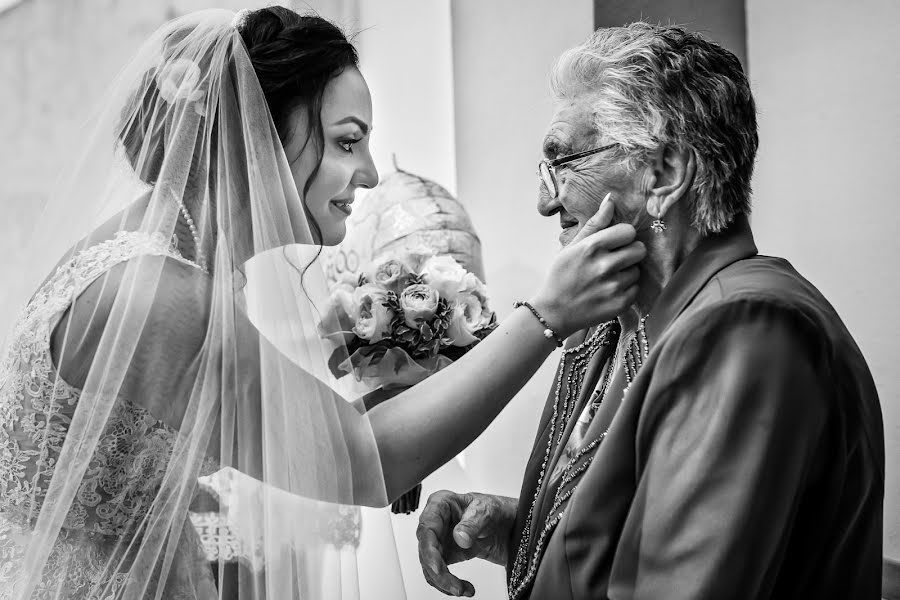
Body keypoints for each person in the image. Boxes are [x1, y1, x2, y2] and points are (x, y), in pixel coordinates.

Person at [0, 7, 645, 600]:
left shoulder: (161, 260)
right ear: (257, 136)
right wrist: (548, 316)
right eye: (345, 141)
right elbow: (366, 463)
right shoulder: (156, 297)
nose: (367, 171)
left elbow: (170, 483)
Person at [417, 22, 884, 599]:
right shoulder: (622, 324)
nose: (544, 201)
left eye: (563, 163)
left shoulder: (746, 330)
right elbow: (635, 542)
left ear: (664, 174)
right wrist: (515, 531)